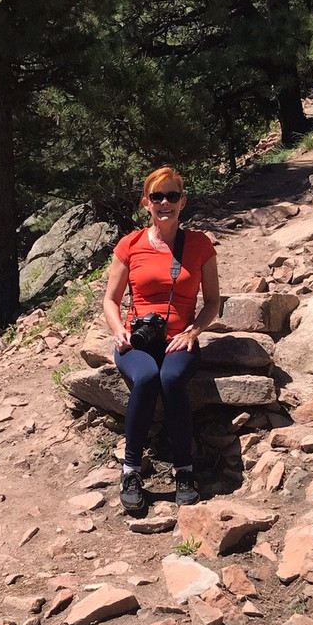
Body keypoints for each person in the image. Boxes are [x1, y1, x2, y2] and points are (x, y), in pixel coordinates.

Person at [102, 167, 220, 513]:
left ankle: (184, 470)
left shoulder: (199, 245)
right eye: (157, 197)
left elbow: (213, 300)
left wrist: (193, 331)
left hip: (178, 340)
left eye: (171, 196)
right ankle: (130, 470)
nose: (164, 203)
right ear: (146, 203)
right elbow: (110, 299)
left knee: (170, 378)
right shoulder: (130, 245)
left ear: (182, 201)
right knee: (148, 376)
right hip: (137, 339)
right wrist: (118, 330)